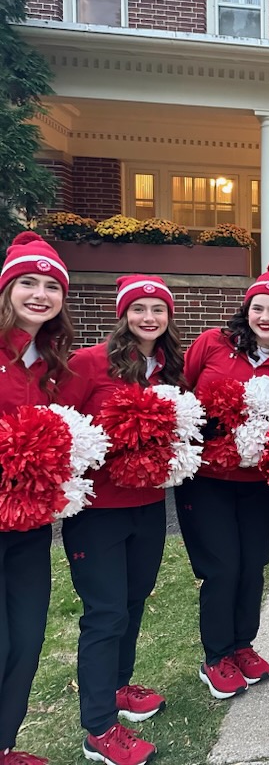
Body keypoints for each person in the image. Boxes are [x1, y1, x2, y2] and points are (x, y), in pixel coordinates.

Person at [59, 275, 183, 765]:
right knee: (105, 613)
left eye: (157, 309)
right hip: (98, 512)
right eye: (139, 309)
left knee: (133, 601)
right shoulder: (89, 363)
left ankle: (117, 687)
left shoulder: (167, 369)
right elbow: (59, 425)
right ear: (123, 314)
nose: (149, 317)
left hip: (149, 507)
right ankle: (97, 728)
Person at [174, 259, 269, 700]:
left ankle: (243, 644)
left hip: (255, 482)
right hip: (207, 478)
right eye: (258, 308)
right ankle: (216, 656)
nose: (265, 317)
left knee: (252, 567)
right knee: (223, 568)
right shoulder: (213, 344)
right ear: (245, 309)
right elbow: (180, 393)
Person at [0, 233, 74, 765]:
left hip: (28, 526)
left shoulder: (50, 363)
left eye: (51, 286)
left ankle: (4, 743)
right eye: (29, 282)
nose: (40, 294)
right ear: (7, 289)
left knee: (26, 641)